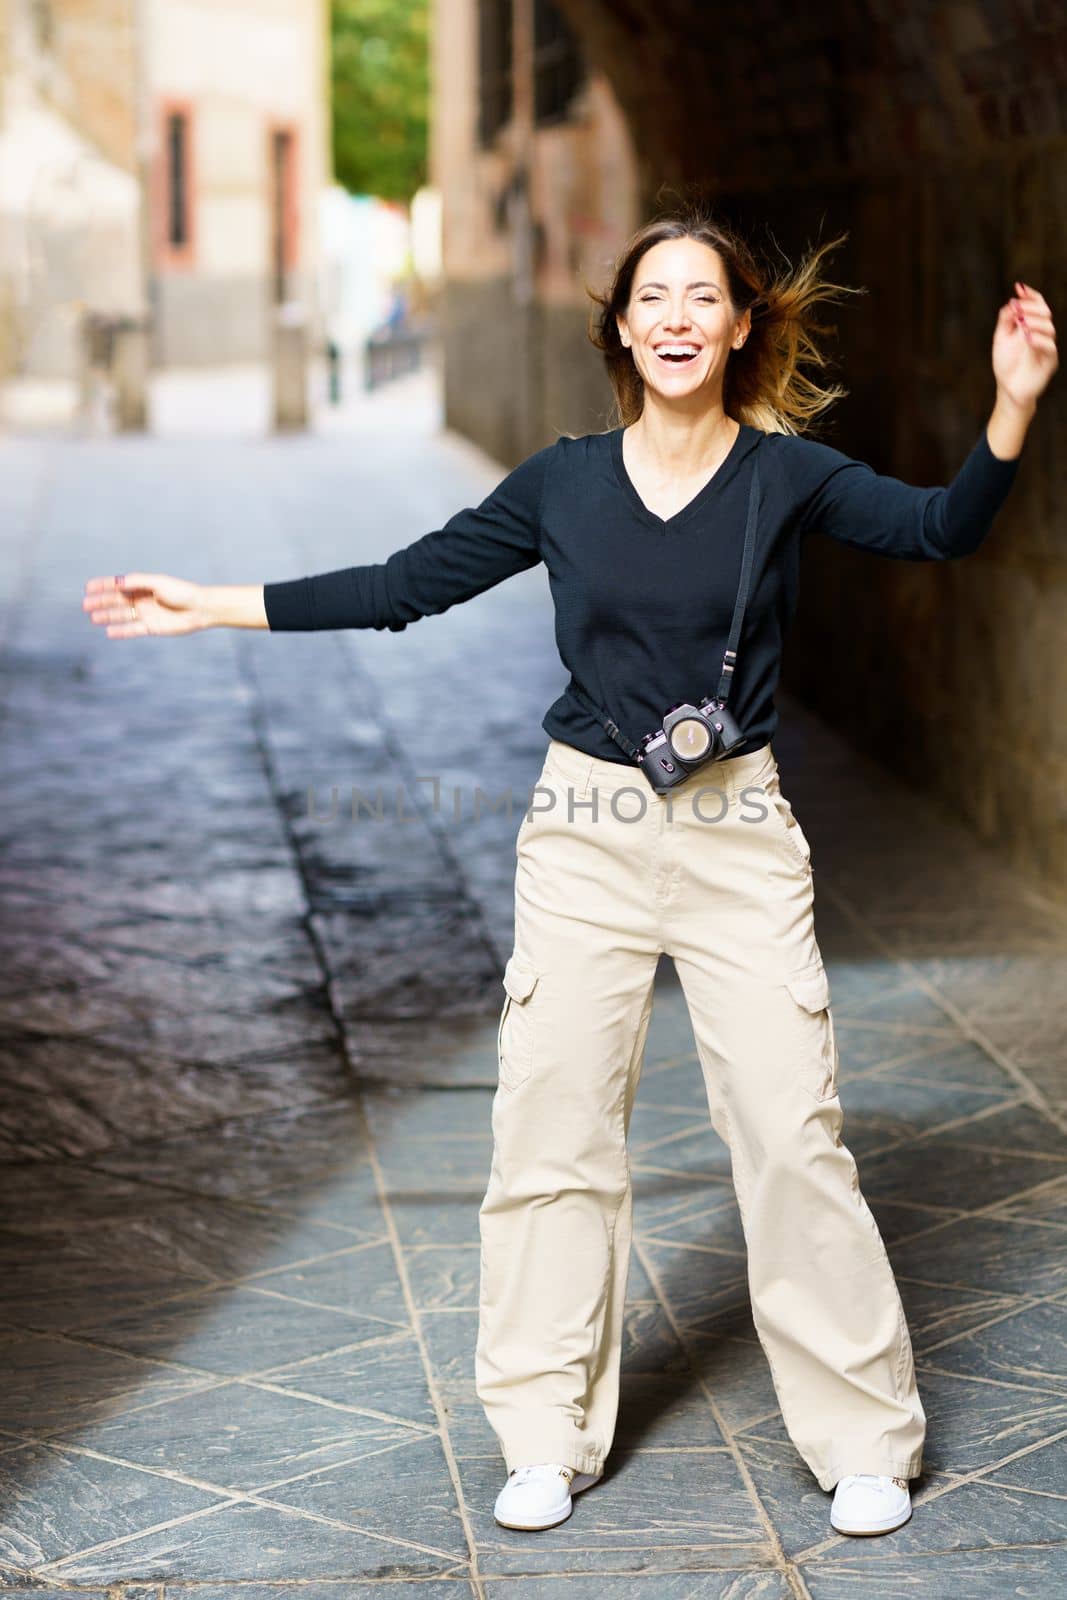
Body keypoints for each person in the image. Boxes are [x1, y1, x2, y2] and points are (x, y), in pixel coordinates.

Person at [82, 208, 1057, 1539]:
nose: (671, 316)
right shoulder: (565, 481)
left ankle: (863, 1440)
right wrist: (210, 601)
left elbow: (943, 530)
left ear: (738, 325)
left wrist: (1011, 408)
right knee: (549, 1134)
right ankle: (544, 1434)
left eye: (698, 297)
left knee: (790, 1133)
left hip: (737, 837)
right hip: (586, 834)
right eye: (649, 295)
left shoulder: (790, 477)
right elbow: (401, 584)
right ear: (620, 327)